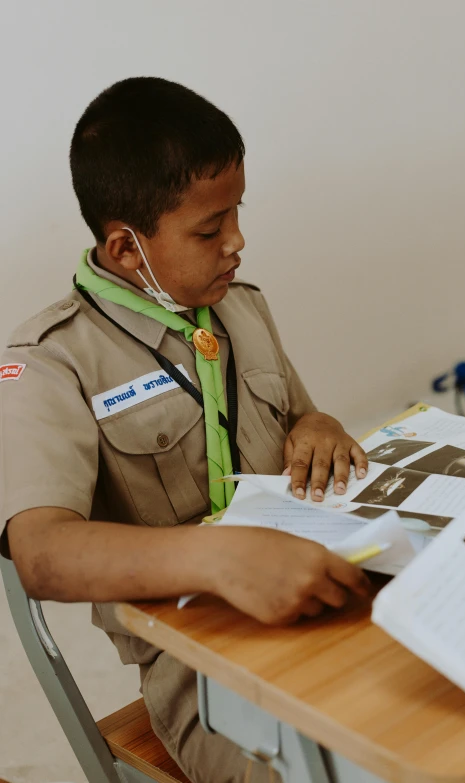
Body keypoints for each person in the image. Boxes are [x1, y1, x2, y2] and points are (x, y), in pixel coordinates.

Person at [0, 77, 370, 783]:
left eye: (236, 213)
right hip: (200, 661)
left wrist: (318, 423)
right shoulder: (48, 364)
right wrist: (220, 558)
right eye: (209, 228)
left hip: (320, 593)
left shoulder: (242, 309)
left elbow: (301, 419)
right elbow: (41, 550)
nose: (237, 241)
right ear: (127, 247)